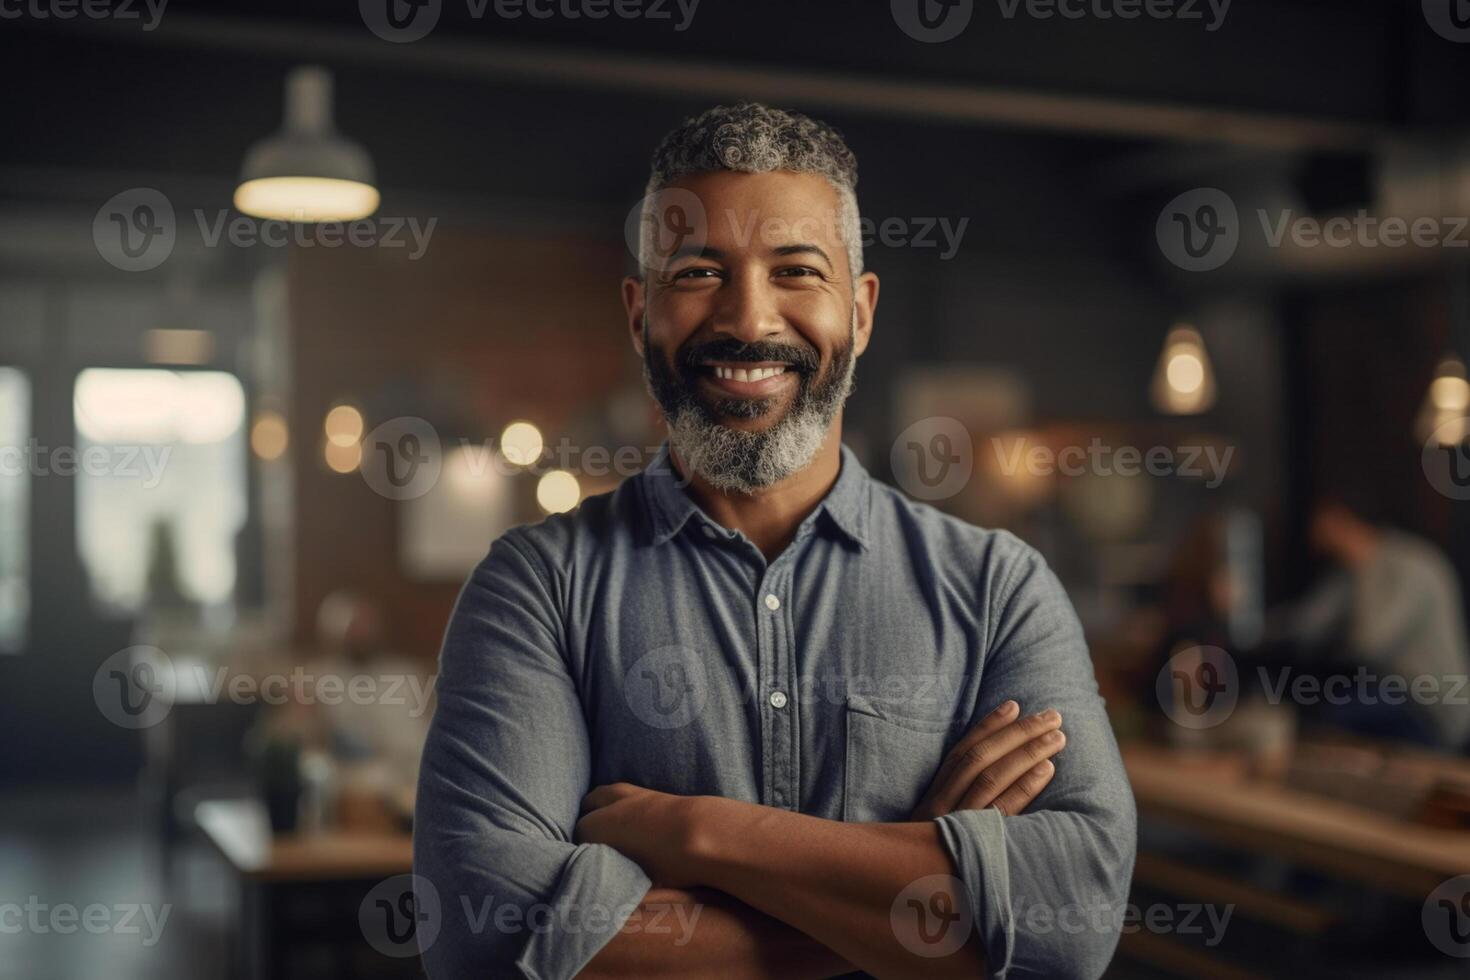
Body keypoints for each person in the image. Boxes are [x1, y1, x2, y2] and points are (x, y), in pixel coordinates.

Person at [414, 103, 1136, 979]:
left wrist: (698, 835)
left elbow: (1075, 923)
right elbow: (483, 938)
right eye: (698, 273)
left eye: (795, 270)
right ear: (641, 314)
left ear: (860, 312)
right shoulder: (535, 587)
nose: (749, 319)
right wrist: (902, 887)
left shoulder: (998, 588)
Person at [1268, 496, 1470, 751]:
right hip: (1389, 691)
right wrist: (1257, 630)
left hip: (1431, 702)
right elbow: (1309, 621)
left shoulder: (1411, 566)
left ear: (1343, 520)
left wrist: (1365, 566)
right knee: (1316, 712)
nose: (1314, 537)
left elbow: (1371, 642)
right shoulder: (1348, 571)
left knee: (1333, 719)